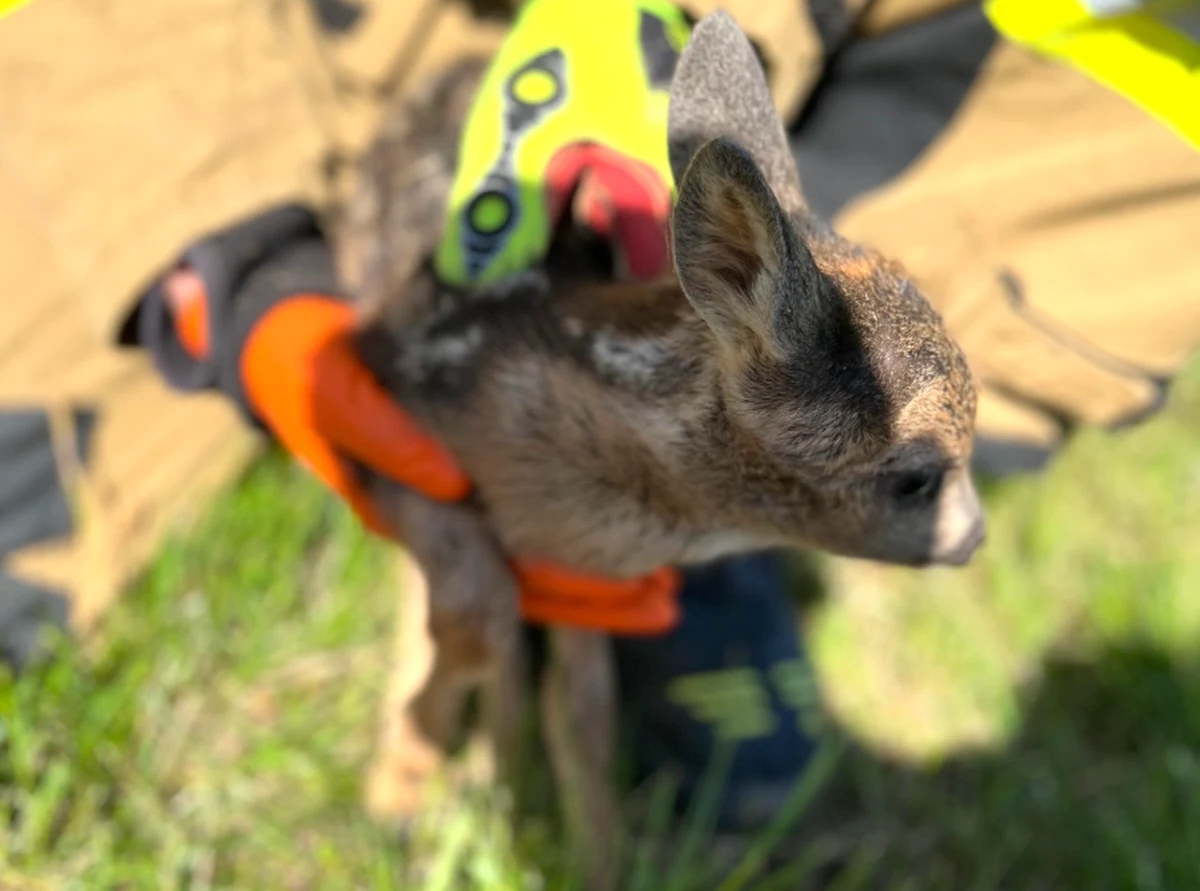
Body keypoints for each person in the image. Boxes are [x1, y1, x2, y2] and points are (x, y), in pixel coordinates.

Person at [1, 0, 1198, 831]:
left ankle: (712, 544)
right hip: (266, 72)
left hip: (848, 189)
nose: (962, 537)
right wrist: (245, 268)